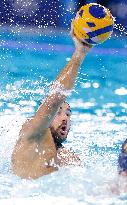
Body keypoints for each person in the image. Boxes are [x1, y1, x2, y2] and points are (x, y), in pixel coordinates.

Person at [11, 33, 92, 179]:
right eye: (58, 112)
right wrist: (79, 54)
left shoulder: (68, 158)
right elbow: (56, 96)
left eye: (68, 114)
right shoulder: (31, 133)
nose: (65, 118)